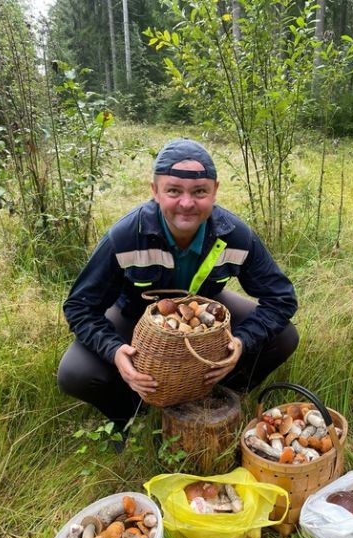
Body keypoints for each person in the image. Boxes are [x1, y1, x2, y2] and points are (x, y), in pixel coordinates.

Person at [58, 138, 298, 443]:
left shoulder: (235, 235)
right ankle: (134, 415)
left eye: (199, 192)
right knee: (75, 373)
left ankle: (216, 393)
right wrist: (115, 351)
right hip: (134, 316)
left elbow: (282, 298)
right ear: (155, 192)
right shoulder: (126, 236)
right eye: (173, 191)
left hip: (205, 315)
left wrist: (241, 342)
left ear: (215, 191)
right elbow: (79, 306)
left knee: (284, 337)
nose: (187, 203)